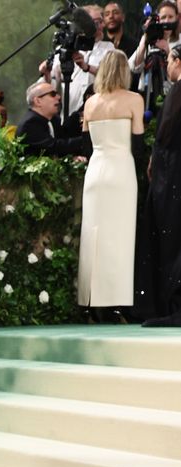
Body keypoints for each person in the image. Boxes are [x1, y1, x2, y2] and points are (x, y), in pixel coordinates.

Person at [77, 50, 145, 316]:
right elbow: (138, 145)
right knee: (121, 235)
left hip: (95, 172)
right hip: (121, 170)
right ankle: (118, 301)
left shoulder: (91, 104)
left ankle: (91, 301)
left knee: (93, 234)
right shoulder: (133, 100)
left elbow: (85, 144)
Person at [137, 43, 181, 322]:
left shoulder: (177, 92)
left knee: (170, 238)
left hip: (172, 176)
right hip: (172, 174)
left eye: (170, 60)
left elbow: (165, 139)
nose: (167, 66)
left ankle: (169, 302)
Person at [41, 5, 114, 123]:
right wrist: (47, 74)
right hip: (68, 113)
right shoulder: (64, 48)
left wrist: (87, 67)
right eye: (96, 22)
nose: (101, 26)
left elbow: (113, 76)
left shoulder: (109, 48)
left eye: (101, 22)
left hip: (97, 113)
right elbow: (55, 83)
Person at [17, 82, 86, 156]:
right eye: (52, 94)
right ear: (38, 101)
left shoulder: (54, 119)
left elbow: (64, 138)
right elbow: (53, 147)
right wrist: (87, 139)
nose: (58, 97)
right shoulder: (30, 123)